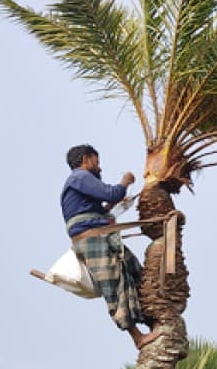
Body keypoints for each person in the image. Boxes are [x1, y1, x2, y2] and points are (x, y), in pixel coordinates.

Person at [61, 144, 160, 349]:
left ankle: (152, 319)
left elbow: (100, 207)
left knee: (132, 271)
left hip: (100, 236)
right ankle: (137, 338)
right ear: (86, 159)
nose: (99, 166)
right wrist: (126, 180)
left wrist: (113, 206)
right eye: (97, 161)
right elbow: (111, 193)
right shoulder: (80, 177)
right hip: (92, 240)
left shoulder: (79, 183)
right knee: (114, 283)